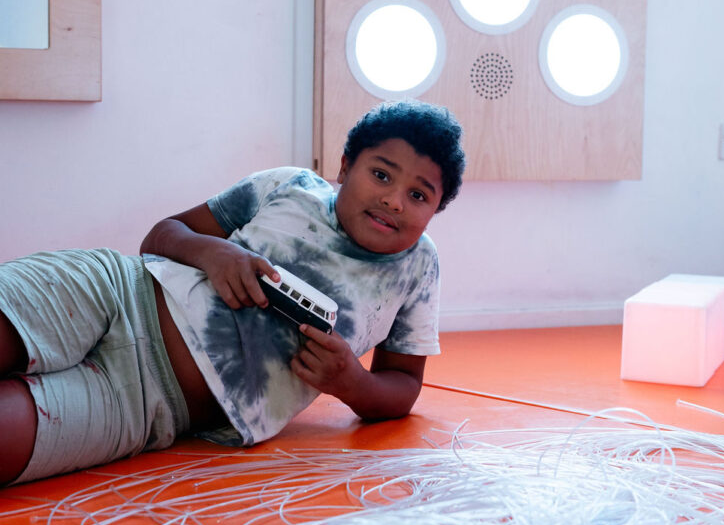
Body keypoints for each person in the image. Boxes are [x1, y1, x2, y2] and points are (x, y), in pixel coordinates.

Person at [0, 100, 465, 485]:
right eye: (381, 175)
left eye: (419, 196)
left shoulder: (418, 268)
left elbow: (403, 385)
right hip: (116, 292)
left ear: (436, 211)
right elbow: (163, 234)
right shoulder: (289, 185)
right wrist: (210, 253)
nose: (393, 200)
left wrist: (353, 383)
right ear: (345, 166)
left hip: (145, 405)